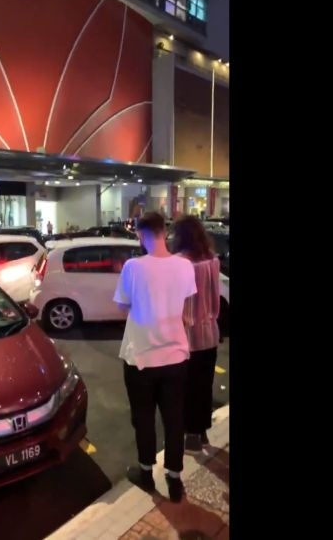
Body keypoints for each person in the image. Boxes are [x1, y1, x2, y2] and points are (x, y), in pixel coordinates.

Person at [113, 211, 196, 503]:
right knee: (175, 418)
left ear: (140, 234)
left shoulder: (133, 267)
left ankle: (147, 473)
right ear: (165, 232)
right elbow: (184, 307)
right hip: (176, 354)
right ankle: (174, 479)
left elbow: (122, 307)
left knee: (144, 418)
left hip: (141, 358)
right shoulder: (185, 266)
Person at [171, 215, 221, 452]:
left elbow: (183, 307)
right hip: (210, 332)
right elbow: (215, 299)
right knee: (204, 385)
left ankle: (191, 436)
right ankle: (201, 433)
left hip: (187, 337)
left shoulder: (181, 263)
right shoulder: (211, 258)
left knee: (187, 388)